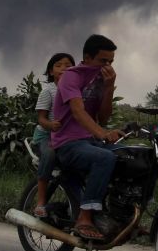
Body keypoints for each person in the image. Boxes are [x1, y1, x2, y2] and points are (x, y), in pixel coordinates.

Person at [51, 34, 123, 240]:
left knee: (134, 156)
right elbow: (78, 111)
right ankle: (84, 217)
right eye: (103, 61)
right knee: (105, 158)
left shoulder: (101, 79)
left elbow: (103, 117)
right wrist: (103, 134)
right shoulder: (71, 77)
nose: (107, 66)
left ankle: (122, 214)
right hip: (68, 142)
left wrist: (108, 88)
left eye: (111, 62)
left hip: (90, 141)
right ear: (87, 58)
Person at [32, 52, 75, 218]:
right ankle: (41, 201)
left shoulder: (77, 90)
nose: (64, 68)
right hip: (46, 136)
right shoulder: (48, 91)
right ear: (51, 71)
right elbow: (41, 119)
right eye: (58, 65)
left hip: (66, 137)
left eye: (68, 66)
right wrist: (51, 125)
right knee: (49, 154)